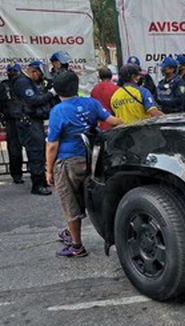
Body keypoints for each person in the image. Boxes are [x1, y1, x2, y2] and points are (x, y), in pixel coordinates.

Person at [46, 71, 122, 257]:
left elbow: (52, 145)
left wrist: (48, 171)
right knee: (90, 197)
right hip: (91, 161)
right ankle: (70, 232)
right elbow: (115, 121)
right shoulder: (91, 103)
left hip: (67, 162)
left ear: (56, 91)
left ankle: (77, 246)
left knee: (70, 203)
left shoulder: (58, 111)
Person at [11, 60, 55, 195]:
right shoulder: (23, 82)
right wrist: (51, 93)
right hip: (29, 123)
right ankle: (37, 185)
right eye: (39, 74)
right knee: (35, 153)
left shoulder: (31, 82)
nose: (40, 78)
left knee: (39, 152)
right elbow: (33, 100)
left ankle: (42, 181)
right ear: (33, 71)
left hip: (35, 122)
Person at [0, 62, 25, 184]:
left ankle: (36, 172)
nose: (12, 73)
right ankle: (17, 174)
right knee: (14, 150)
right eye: (10, 71)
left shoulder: (26, 84)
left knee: (34, 148)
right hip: (12, 122)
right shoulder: (3, 86)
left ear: (20, 71)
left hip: (28, 120)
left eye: (15, 71)